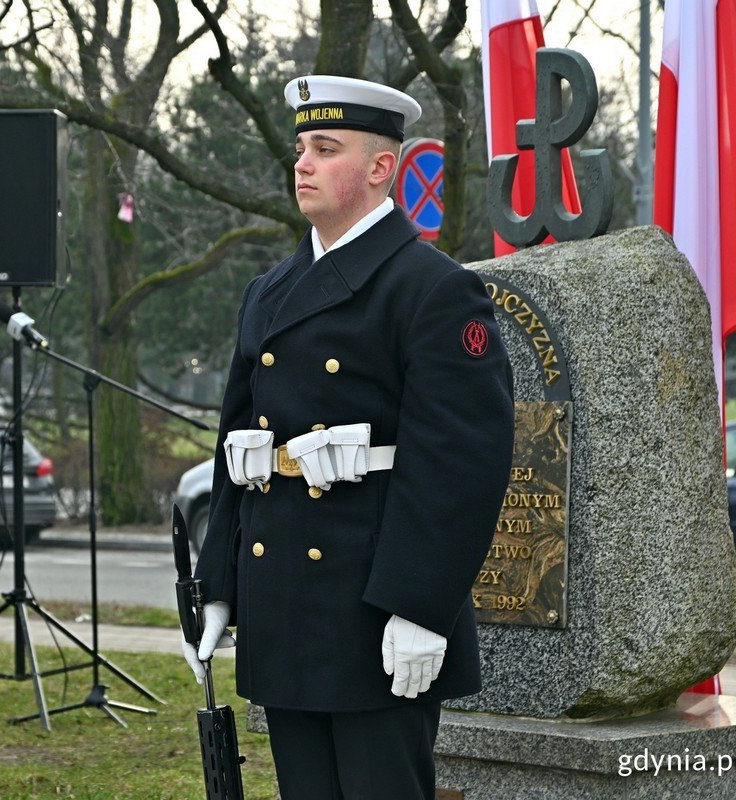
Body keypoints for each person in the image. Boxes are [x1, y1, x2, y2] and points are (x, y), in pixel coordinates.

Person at [184, 76, 515, 799]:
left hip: (374, 611)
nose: (300, 164)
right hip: (285, 604)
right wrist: (217, 588)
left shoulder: (432, 288)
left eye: (325, 149)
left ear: (379, 168)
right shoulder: (269, 289)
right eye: (301, 147)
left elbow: (460, 465)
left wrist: (421, 607)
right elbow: (241, 449)